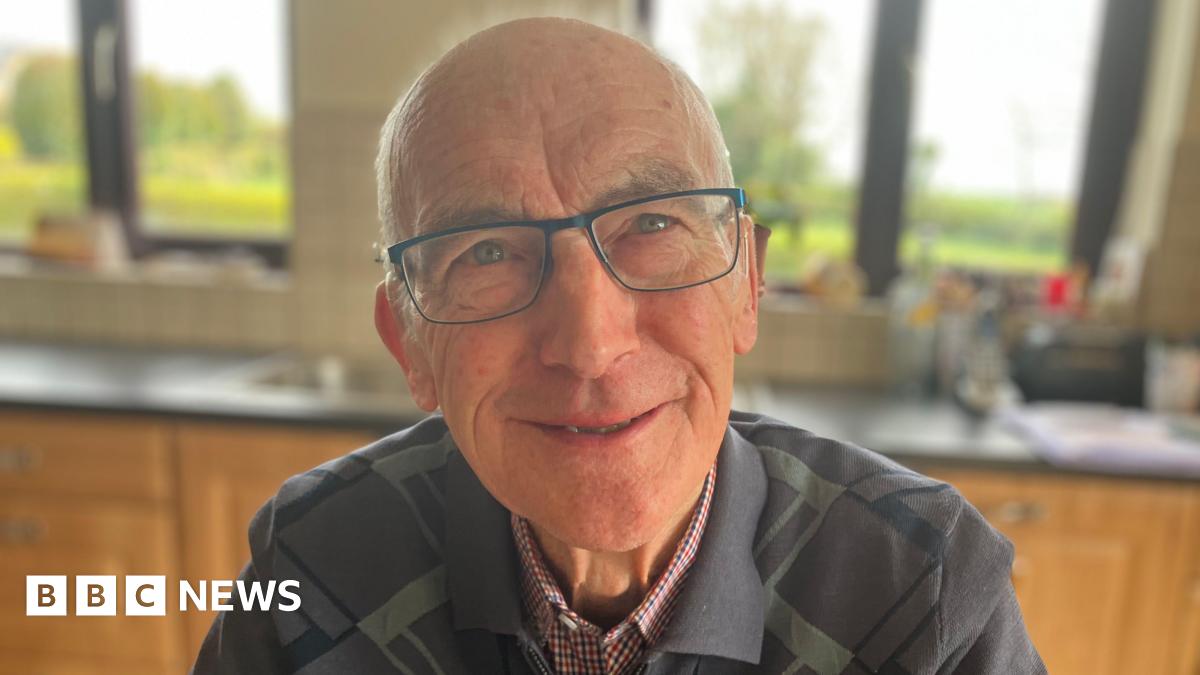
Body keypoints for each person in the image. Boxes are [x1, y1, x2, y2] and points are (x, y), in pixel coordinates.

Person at [192, 17, 1045, 675]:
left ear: (746, 283)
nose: (591, 345)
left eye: (651, 224)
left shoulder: (922, 590)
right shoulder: (313, 564)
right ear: (409, 342)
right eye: (486, 251)